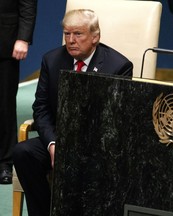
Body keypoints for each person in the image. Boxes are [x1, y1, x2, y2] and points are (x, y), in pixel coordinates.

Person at [13, 9, 133, 216]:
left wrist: (82, 149)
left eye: (78, 34)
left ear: (95, 37)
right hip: (59, 138)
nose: (71, 40)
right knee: (23, 152)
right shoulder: (52, 60)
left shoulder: (118, 66)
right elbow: (40, 108)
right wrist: (52, 143)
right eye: (67, 34)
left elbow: (116, 119)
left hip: (97, 145)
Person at [0, 0, 37, 184]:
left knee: (4, 104)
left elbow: (27, 4)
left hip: (5, 40)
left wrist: (23, 38)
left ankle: (5, 162)